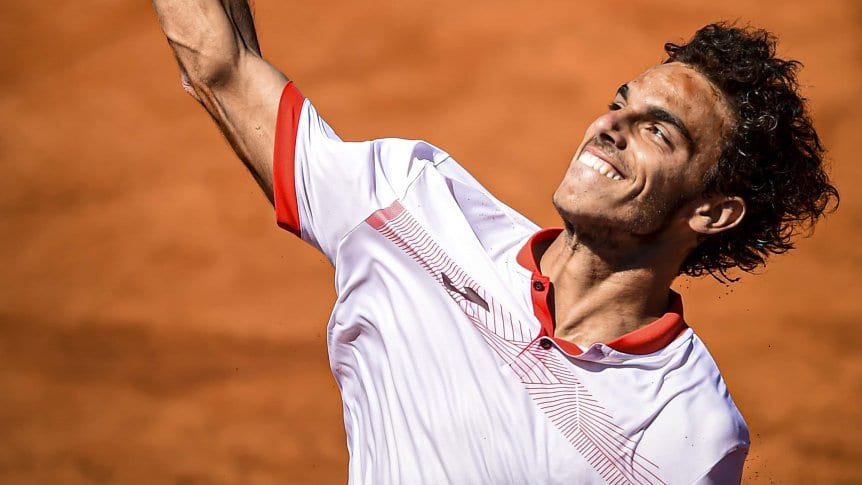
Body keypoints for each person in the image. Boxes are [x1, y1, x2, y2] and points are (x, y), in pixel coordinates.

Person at [152, 2, 838, 483]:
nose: (609, 126)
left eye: (658, 131)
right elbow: (223, 67)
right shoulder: (410, 208)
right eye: (620, 103)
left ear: (714, 212)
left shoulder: (686, 434)